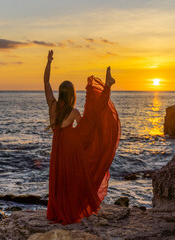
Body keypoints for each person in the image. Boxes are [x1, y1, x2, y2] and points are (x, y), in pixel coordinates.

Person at [44, 50, 121, 225]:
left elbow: (46, 82)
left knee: (59, 179)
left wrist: (48, 63)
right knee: (71, 180)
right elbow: (89, 124)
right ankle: (107, 86)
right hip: (72, 150)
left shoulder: (52, 105)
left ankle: (57, 210)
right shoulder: (74, 112)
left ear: (60, 93)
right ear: (72, 95)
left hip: (58, 148)